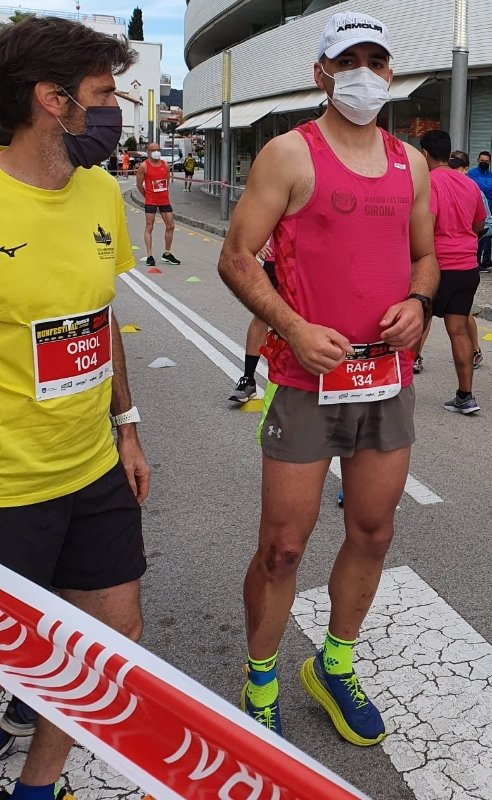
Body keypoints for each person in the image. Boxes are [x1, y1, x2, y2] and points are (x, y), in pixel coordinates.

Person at [217, 10, 438, 743]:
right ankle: (260, 681)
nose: (364, 75)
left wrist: (419, 303)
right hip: (306, 381)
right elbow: (237, 257)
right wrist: (294, 328)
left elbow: (425, 258)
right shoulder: (288, 154)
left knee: (372, 531)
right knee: (282, 547)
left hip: (386, 379)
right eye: (349, 62)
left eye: (377, 62)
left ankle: (334, 665)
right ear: (321, 74)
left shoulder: (411, 163)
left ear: (391, 74)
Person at [0, 16, 150, 798]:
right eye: (103, 94)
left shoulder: (99, 191)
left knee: (107, 639)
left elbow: (101, 317)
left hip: (91, 469)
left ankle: (38, 785)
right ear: (51, 100)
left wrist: (127, 427)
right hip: (7, 489)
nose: (114, 110)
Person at [418, 131, 486, 414]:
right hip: (467, 266)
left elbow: (426, 224)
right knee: (458, 331)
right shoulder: (470, 184)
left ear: (425, 154)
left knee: (416, 324)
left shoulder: (430, 182)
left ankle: (397, 390)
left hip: (437, 266)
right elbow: (480, 223)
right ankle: (465, 396)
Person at [230, 243, 276, 402]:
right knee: (261, 315)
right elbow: (248, 229)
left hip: (311, 262)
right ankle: (248, 379)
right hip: (277, 260)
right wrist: (258, 244)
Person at [136, 141, 180, 267]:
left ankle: (167, 253)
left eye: (158, 150)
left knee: (171, 226)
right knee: (149, 226)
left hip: (164, 200)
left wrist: (163, 193)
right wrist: (147, 196)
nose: (156, 152)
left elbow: (166, 181)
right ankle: (150, 256)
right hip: (151, 201)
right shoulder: (144, 166)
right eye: (153, 150)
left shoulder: (165, 165)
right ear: (148, 152)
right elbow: (139, 184)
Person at [467, 150, 492, 271]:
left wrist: (482, 189)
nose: (484, 162)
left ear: (490, 162)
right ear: (478, 160)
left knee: (486, 239)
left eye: (487, 161)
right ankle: (473, 262)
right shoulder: (471, 173)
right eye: (482, 160)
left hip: (488, 212)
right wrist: (487, 189)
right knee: (474, 239)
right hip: (474, 212)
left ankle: (482, 262)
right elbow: (473, 188)